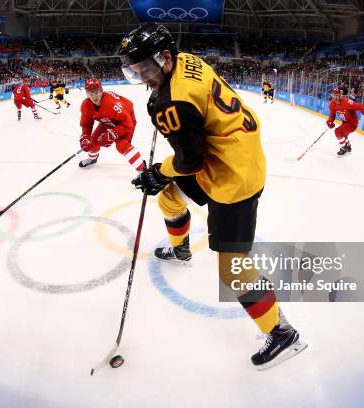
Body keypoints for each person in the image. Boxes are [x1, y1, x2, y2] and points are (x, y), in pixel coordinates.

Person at [119, 23, 306, 369]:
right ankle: (182, 248)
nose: (141, 76)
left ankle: (283, 333)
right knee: (169, 197)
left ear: (165, 58)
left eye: (145, 68)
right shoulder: (185, 60)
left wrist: (158, 170)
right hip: (228, 156)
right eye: (135, 69)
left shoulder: (172, 103)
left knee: (233, 270)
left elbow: (190, 160)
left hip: (233, 178)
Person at [78, 77, 145, 171]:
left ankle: (143, 171)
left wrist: (112, 133)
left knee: (122, 145)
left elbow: (128, 123)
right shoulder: (86, 105)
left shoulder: (111, 104)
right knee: (92, 141)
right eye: (90, 93)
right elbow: (87, 124)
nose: (94, 97)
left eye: (96, 92)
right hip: (108, 120)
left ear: (101, 91)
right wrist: (85, 136)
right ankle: (92, 159)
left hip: (126, 120)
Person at [327, 88, 364, 157]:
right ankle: (348, 147)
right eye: (334, 95)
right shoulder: (332, 104)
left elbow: (359, 106)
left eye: (337, 95)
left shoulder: (347, 102)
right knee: (343, 135)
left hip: (352, 123)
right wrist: (330, 121)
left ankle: (344, 148)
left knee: (338, 132)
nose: (335, 97)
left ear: (340, 95)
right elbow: (332, 115)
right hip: (345, 123)